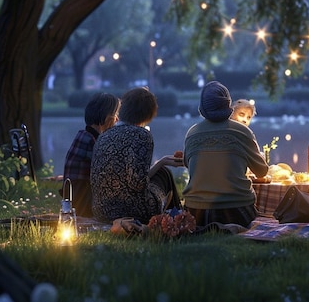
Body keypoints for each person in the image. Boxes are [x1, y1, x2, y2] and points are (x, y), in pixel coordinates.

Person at [182, 81, 268, 228]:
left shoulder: (192, 133)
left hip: (196, 211)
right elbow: (262, 171)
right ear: (228, 105)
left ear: (202, 108)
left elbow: (187, 164)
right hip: (237, 209)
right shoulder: (243, 131)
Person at [90, 87, 183, 224]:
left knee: (162, 170)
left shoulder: (104, 135)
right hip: (134, 210)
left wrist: (162, 161)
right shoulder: (141, 135)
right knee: (164, 174)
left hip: (102, 210)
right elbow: (138, 183)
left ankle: (175, 217)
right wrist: (161, 164)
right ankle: (176, 219)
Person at [61, 92, 120, 217]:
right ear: (107, 118)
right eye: (115, 115)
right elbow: (108, 173)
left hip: (78, 198)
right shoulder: (90, 141)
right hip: (83, 202)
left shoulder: (85, 135)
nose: (117, 120)